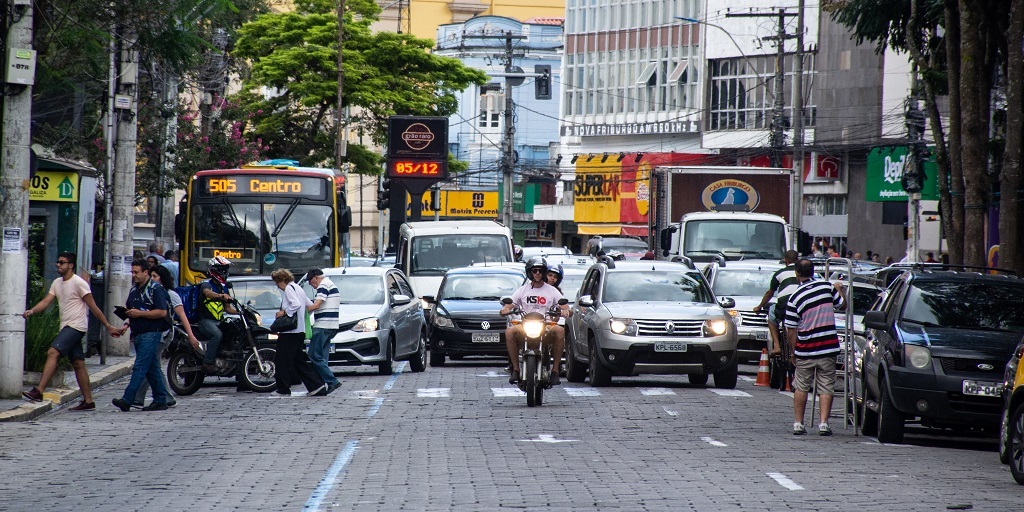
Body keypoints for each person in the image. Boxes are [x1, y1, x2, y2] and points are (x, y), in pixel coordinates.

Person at [22, 252, 123, 410]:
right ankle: (88, 401)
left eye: (62, 262)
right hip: (67, 326)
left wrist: (108, 326)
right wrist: (32, 311)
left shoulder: (79, 283)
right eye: (58, 262)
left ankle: (39, 390)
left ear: (71, 265)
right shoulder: (57, 283)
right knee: (78, 363)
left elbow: (93, 307)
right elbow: (47, 301)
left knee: (52, 352)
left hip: (76, 326)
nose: (58, 265)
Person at [784, 258, 845, 436]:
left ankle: (798, 423)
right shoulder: (827, 287)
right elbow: (843, 305)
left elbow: (791, 330)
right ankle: (824, 423)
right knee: (826, 386)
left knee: (801, 386)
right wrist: (840, 290)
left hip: (806, 348)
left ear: (796, 274)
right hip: (828, 347)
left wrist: (793, 351)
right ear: (813, 271)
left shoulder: (794, 298)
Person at [133, 265, 202, 408]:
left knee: (149, 364)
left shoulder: (170, 294)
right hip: (150, 333)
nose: (152, 279)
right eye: (151, 276)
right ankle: (165, 397)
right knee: (153, 365)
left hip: (163, 335)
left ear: (162, 278)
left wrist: (191, 336)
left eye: (155, 276)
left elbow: (182, 316)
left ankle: (137, 397)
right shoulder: (149, 293)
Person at [112, 259, 174, 412]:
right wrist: (126, 324)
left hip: (151, 333)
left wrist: (140, 313)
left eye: (136, 272)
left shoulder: (155, 289)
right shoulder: (134, 290)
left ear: (146, 272)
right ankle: (161, 399)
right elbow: (129, 310)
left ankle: (128, 399)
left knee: (140, 366)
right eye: (132, 272)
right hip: (137, 333)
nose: (134, 275)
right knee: (151, 368)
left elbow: (162, 312)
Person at [500, 257, 569, 386]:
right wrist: (505, 309)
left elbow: (565, 306)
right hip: (525, 324)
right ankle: (515, 369)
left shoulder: (552, 290)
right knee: (509, 331)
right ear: (529, 272)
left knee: (560, 331)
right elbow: (510, 305)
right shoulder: (523, 290)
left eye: (540, 271)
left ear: (544, 273)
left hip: (546, 325)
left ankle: (555, 370)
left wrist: (565, 311)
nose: (537, 273)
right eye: (534, 271)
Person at [271, 269, 327, 396]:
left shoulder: (289, 289)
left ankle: (283, 389)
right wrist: (301, 317)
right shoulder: (298, 288)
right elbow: (309, 305)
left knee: (282, 360)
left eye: (277, 282)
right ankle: (317, 385)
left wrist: (284, 313)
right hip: (300, 330)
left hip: (290, 331)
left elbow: (295, 304)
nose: (277, 286)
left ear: (282, 280)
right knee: (298, 360)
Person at [752, 250, 800, 356]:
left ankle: (777, 346)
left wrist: (759, 307)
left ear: (785, 260)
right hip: (801, 307)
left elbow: (769, 293)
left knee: (772, 315)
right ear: (797, 260)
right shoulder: (803, 273)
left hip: (784, 307)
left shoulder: (779, 273)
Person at [196, 256, 237, 373]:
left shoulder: (224, 289)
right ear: (214, 270)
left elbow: (228, 309)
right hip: (206, 321)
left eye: (226, 270)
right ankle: (208, 362)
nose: (225, 272)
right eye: (222, 269)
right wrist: (220, 296)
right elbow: (207, 293)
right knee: (217, 335)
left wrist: (241, 311)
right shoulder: (206, 285)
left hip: (219, 321)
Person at [304, 268, 341, 394]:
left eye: (311, 281)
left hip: (323, 325)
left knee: (314, 355)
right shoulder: (330, 283)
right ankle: (323, 384)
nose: (311, 285)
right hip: (332, 326)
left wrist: (300, 312)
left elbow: (317, 305)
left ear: (315, 277)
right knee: (323, 358)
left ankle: (332, 381)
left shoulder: (324, 284)